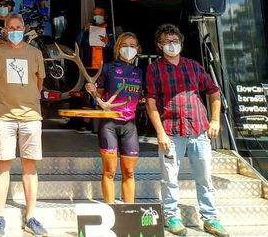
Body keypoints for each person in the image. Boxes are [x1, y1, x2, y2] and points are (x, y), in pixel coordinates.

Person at [145, 24, 229, 237]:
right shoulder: (154, 69)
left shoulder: (193, 66)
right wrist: (160, 132)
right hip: (170, 133)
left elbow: (214, 92)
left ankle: (210, 219)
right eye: (167, 42)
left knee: (204, 178)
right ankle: (171, 216)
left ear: (181, 43)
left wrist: (215, 120)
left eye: (175, 41)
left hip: (199, 131)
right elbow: (150, 102)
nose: (172, 45)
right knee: (169, 178)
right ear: (159, 45)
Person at [0, 13, 47, 237]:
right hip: (4, 117)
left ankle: (31, 217)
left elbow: (39, 82)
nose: (14, 30)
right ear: (4, 30)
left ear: (24, 28)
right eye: (10, 27)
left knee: (29, 166)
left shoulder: (35, 53)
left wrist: (26, 99)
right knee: (4, 163)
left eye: (18, 27)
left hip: (31, 116)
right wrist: (5, 101)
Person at [85, 32, 143, 204]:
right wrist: (92, 91)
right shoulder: (108, 68)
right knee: (109, 171)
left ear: (138, 49)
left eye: (132, 46)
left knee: (129, 172)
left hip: (130, 126)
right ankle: (110, 209)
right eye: (125, 45)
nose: (128, 49)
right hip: (109, 124)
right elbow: (99, 94)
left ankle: (129, 210)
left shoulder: (140, 72)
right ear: (117, 48)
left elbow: (146, 96)